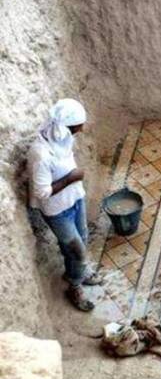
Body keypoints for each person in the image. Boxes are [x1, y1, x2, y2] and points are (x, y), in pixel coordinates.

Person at [28, 99, 102, 312]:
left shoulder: (63, 138)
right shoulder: (40, 155)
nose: (83, 128)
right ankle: (75, 286)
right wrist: (71, 178)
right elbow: (41, 192)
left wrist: (73, 182)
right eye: (79, 125)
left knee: (82, 238)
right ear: (66, 126)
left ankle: (76, 272)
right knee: (76, 249)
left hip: (75, 198)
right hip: (57, 210)